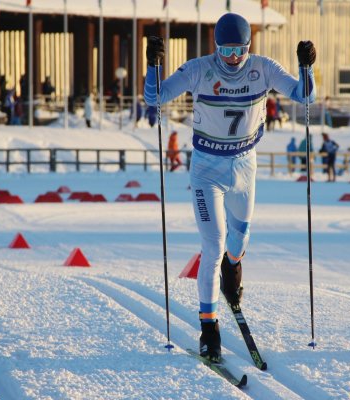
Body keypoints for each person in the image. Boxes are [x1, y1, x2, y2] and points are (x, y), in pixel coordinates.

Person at [143, 13, 316, 362]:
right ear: (216, 47)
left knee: (238, 245)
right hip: (207, 170)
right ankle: (209, 328)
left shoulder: (262, 68)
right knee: (214, 245)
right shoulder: (199, 69)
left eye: (240, 49)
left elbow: (303, 97)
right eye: (226, 50)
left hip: (244, 168)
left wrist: (307, 68)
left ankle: (232, 277)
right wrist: (153, 65)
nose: (234, 57)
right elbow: (155, 98)